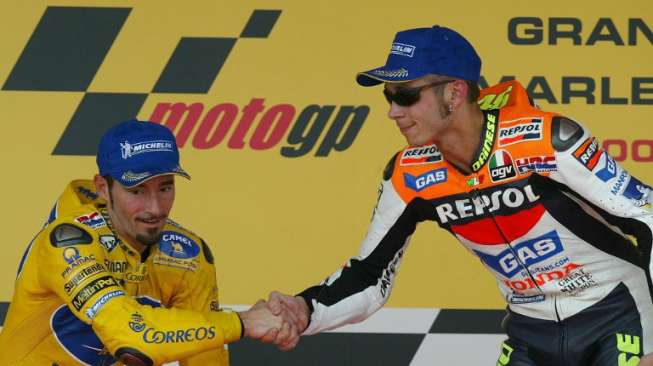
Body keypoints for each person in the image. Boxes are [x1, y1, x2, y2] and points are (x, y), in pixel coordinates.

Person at [265, 26, 653, 365]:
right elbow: (370, 275)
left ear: (454, 93)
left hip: (616, 312)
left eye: (405, 95)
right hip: (532, 332)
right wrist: (304, 310)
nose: (393, 112)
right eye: (388, 96)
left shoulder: (544, 140)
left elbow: (647, 217)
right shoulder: (410, 174)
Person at [0, 119, 291, 365]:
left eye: (165, 187)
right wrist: (243, 323)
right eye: (137, 190)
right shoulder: (67, 242)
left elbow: (206, 359)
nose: (155, 207)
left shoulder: (187, 255)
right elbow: (132, 338)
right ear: (103, 188)